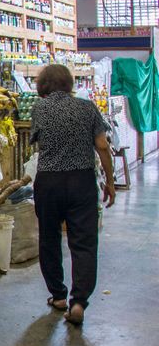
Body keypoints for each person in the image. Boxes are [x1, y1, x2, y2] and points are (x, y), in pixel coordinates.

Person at [30, 64, 115, 326]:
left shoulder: (39, 108)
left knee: (49, 237)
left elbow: (37, 140)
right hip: (81, 181)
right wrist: (110, 182)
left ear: (43, 84)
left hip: (49, 182)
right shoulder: (87, 108)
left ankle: (58, 295)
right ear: (69, 83)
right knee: (84, 242)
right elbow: (102, 146)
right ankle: (78, 302)